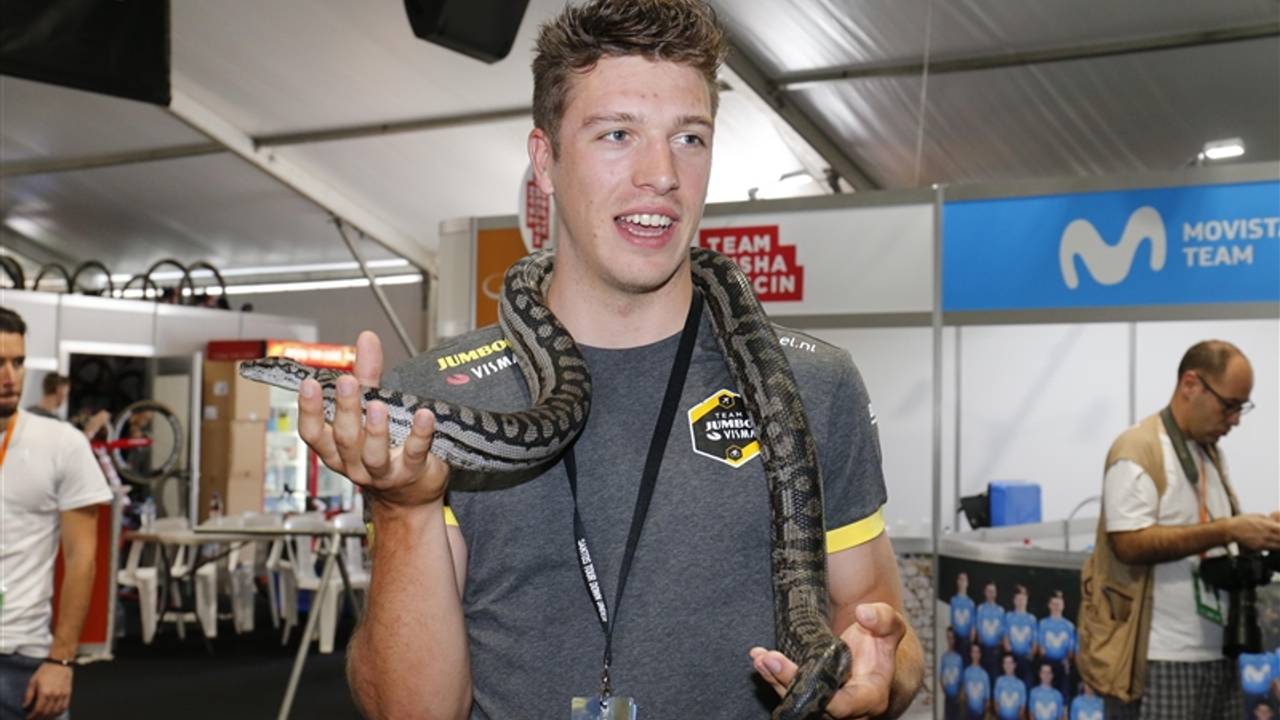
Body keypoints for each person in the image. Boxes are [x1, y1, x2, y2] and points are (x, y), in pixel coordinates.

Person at [294, 1, 924, 717]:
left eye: (689, 137)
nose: (661, 173)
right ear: (545, 159)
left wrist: (879, 675)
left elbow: (885, 640)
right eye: (617, 134)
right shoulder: (433, 406)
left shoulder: (814, 385)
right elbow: (410, 712)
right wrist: (404, 509)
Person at [1077, 340, 1280, 720]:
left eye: (1242, 407)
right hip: (1158, 658)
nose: (1235, 419)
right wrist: (1229, 530)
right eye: (1229, 405)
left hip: (1216, 652)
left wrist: (1259, 531)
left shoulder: (1209, 452)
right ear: (1191, 385)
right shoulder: (1139, 449)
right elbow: (1129, 544)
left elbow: (1210, 532)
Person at [0, 307, 112, 720]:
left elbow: (82, 559)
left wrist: (61, 661)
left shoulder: (61, 444)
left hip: (23, 660)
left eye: (18, 361)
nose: (10, 376)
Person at [1037, 591, 1075, 702]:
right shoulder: (1043, 623)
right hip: (1048, 664)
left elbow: (1071, 650)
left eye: (1058, 604)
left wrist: (1065, 660)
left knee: (1063, 696)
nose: (1056, 607)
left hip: (1063, 664)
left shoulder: (1069, 626)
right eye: (1053, 604)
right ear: (1049, 605)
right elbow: (1041, 649)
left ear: (1063, 605)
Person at [1005, 584, 1038, 686]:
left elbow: (1035, 642)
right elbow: (1005, 637)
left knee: (1027, 685)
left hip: (1026, 658)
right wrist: (1010, 654)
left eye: (1023, 599)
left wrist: (1030, 655)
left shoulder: (1031, 619)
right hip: (1013, 658)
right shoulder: (1009, 616)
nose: (1020, 602)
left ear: (1026, 600)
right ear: (1014, 600)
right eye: (1018, 599)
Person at [977, 580, 1006, 679]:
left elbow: (1003, 631)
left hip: (996, 652)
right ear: (985, 592)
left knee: (995, 677)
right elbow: (978, 628)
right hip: (983, 650)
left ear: (996, 593)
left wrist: (999, 645)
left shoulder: (1000, 610)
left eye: (993, 591)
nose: (990, 594)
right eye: (988, 591)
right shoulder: (980, 608)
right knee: (983, 678)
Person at [993, 652, 1028, 720]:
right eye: (1005, 663)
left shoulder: (1021, 684)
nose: (1008, 665)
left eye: (1010, 663)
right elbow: (996, 703)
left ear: (1015, 665)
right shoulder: (999, 681)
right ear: (1003, 665)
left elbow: (1022, 708)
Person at [961, 642, 991, 720]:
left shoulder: (984, 674)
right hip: (968, 714)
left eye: (977, 652)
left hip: (981, 715)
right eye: (973, 651)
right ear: (970, 654)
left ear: (980, 654)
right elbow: (964, 694)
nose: (975, 654)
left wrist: (986, 716)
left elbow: (987, 699)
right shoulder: (966, 672)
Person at [940, 627, 965, 720]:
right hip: (948, 697)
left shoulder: (959, 658)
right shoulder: (944, 657)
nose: (950, 640)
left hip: (957, 697)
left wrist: (960, 694)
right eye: (948, 637)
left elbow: (962, 678)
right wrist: (944, 689)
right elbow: (941, 676)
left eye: (952, 638)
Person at [951, 571, 977, 659]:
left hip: (966, 641)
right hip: (956, 639)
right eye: (960, 579)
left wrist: (971, 641)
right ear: (957, 581)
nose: (962, 582)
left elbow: (973, 625)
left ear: (967, 583)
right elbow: (952, 621)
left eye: (964, 580)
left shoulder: (970, 603)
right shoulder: (953, 600)